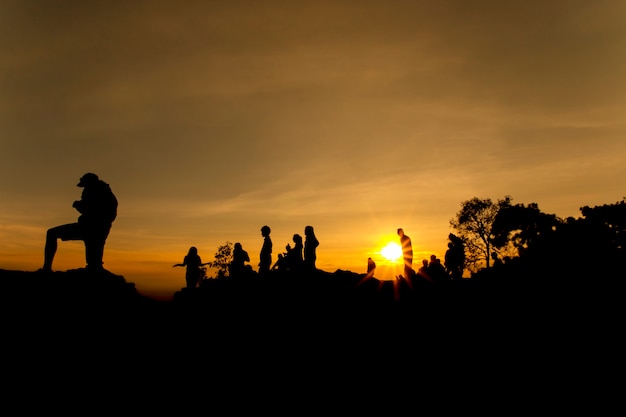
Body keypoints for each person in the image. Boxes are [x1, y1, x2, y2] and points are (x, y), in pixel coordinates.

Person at [41, 172, 118, 272]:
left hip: (90, 228)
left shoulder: (95, 192)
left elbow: (91, 210)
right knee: (94, 262)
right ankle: (94, 269)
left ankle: (46, 268)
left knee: (51, 233)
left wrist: (78, 205)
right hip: (96, 228)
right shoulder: (105, 193)